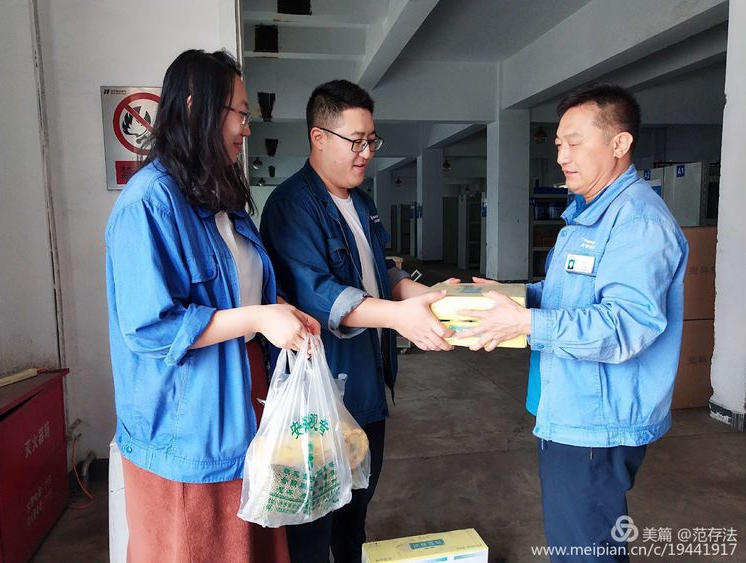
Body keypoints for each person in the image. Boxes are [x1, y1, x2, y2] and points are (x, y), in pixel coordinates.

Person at [105, 49, 319, 563]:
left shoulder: (216, 193)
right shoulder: (148, 202)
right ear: (196, 108)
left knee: (250, 542)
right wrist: (258, 318)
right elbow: (150, 328)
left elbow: (236, 288)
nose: (247, 127)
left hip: (245, 398)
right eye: (239, 113)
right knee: (195, 545)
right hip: (188, 424)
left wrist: (278, 309)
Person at [459, 84, 688, 562]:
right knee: (577, 542)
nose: (562, 156)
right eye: (559, 144)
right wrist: (516, 296)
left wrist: (526, 323)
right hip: (571, 409)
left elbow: (625, 325)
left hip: (597, 423)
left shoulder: (637, 222)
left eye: (575, 143)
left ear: (619, 144)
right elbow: (571, 294)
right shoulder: (589, 214)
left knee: (585, 549)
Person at [260, 79, 455, 563]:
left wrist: (424, 296)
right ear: (319, 137)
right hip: (322, 393)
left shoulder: (360, 202)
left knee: (355, 514)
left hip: (367, 387)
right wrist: (400, 318)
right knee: (313, 522)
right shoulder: (291, 207)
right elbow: (319, 294)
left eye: (371, 140)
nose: (366, 153)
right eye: (356, 141)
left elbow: (377, 269)